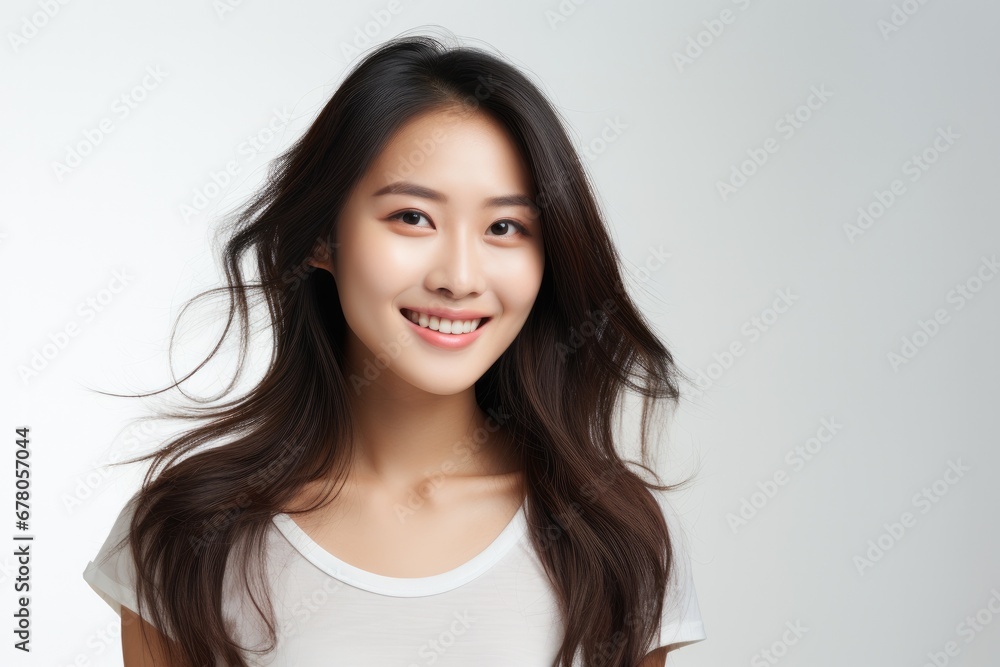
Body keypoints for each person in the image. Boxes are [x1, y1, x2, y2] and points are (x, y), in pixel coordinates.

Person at [81, 30, 707, 667]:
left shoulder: (616, 540)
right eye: (413, 217)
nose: (459, 277)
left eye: (504, 227)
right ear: (324, 238)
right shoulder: (186, 535)